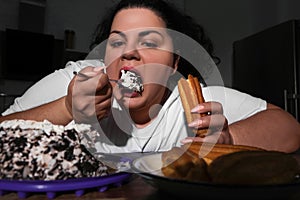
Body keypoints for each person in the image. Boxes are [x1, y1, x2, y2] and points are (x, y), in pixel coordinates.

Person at [1, 0, 300, 153]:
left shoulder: (195, 103)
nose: (128, 53)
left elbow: (289, 129)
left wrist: (229, 138)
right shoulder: (76, 81)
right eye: (117, 42)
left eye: (149, 42)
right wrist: (65, 109)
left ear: (174, 62)